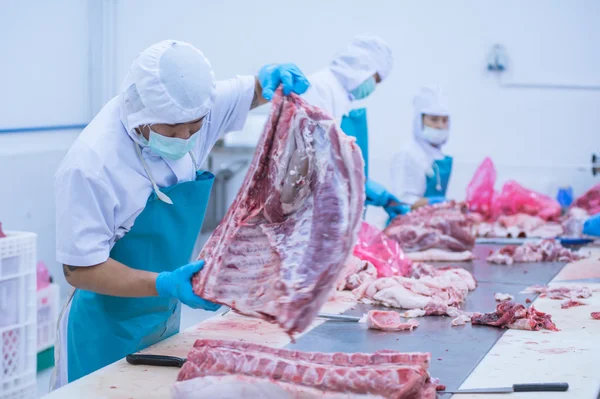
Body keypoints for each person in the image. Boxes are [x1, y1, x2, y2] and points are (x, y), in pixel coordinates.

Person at [50, 40, 309, 389]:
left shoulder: (192, 106)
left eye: (195, 127)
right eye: (172, 131)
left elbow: (256, 91)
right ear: (139, 113)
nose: (186, 138)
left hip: (162, 318)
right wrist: (164, 283)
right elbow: (80, 269)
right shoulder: (91, 164)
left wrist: (271, 78)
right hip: (104, 329)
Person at [302, 35, 408, 219]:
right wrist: (359, 185)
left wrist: (369, 190)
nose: (373, 87)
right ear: (364, 66)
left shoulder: (341, 96)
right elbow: (314, 159)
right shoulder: (320, 87)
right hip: (311, 213)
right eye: (375, 79)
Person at [390, 86, 452, 209]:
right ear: (420, 121)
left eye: (444, 120)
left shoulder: (438, 156)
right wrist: (435, 203)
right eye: (434, 119)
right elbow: (403, 203)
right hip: (408, 224)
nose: (440, 125)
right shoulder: (408, 154)